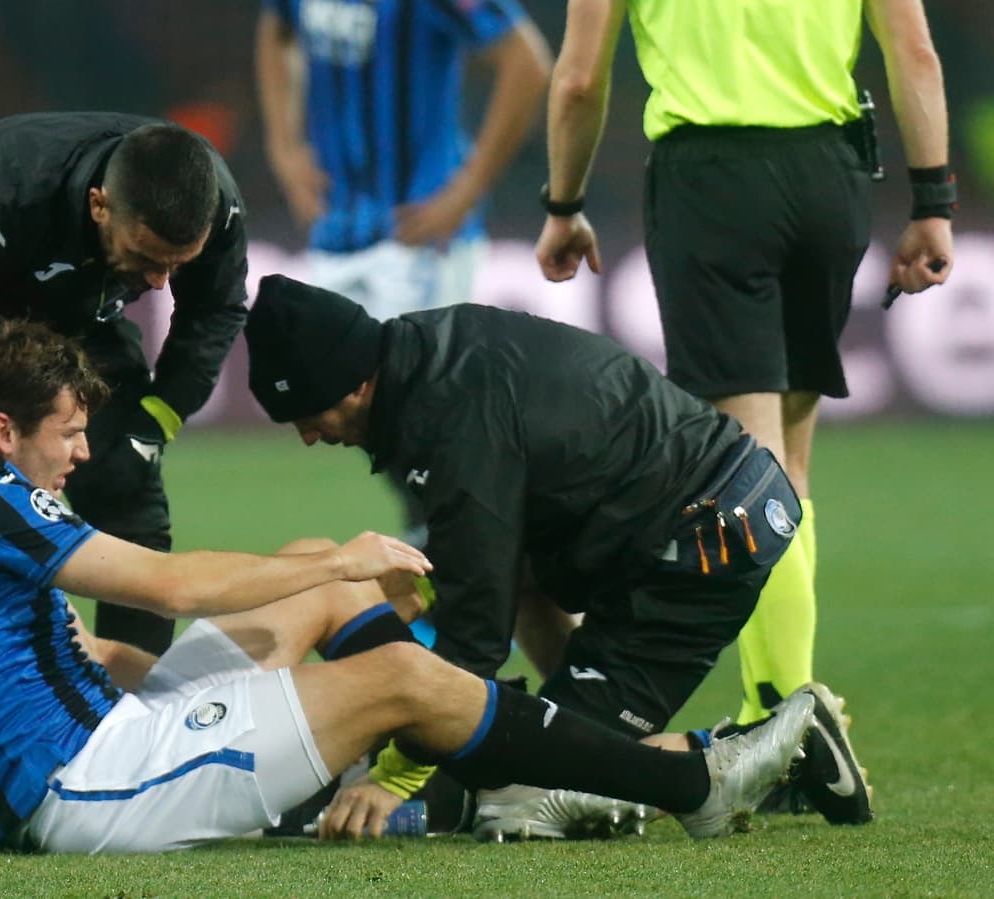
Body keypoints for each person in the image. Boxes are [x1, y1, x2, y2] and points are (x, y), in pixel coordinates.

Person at [0, 317, 816, 853]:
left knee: (324, 594)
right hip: (74, 791)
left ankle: (429, 757)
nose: (82, 452)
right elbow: (170, 586)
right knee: (398, 669)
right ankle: (689, 778)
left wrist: (315, 583)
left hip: (76, 747)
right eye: (69, 433)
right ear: (4, 430)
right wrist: (345, 562)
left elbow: (74, 655)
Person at [243, 273, 872, 839]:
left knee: (529, 792)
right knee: (523, 703)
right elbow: (489, 547)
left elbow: (474, 634)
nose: (307, 436)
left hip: (697, 541)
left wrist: (395, 775)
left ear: (353, 381)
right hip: (682, 512)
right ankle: (568, 717)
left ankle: (778, 752)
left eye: (307, 413)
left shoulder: (449, 419)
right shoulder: (428, 359)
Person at [534, 0, 955, 732]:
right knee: (787, 460)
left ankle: (784, 716)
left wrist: (563, 202)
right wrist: (934, 202)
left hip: (712, 181)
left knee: (745, 466)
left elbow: (576, 81)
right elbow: (913, 50)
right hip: (830, 174)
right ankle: (785, 709)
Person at [0, 112, 250, 656]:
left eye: (178, 265)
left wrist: (155, 422)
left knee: (128, 488)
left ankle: (135, 719)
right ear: (98, 204)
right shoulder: (2, 194)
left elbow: (215, 312)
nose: (159, 282)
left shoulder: (212, 203)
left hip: (85, 309)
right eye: (146, 259)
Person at [255, 0, 552, 541]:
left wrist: (466, 188)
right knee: (364, 418)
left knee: (423, 418)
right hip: (338, 231)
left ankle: (480, 569)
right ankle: (448, 552)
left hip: (418, 234)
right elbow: (276, 30)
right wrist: (284, 147)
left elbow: (527, 61)